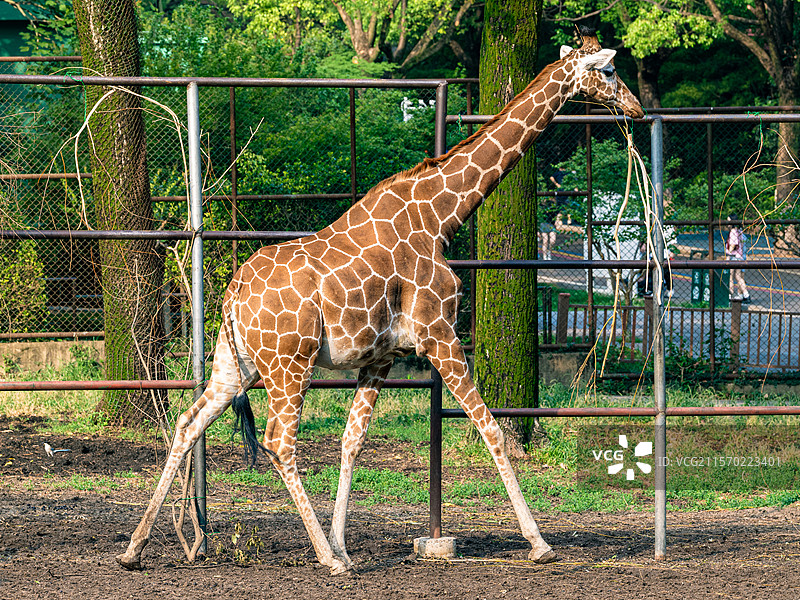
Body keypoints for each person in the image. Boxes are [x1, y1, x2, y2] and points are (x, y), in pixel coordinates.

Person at [726, 214, 750, 303]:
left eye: (729, 221)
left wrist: (728, 254)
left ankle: (729, 295)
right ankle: (746, 294)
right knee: (738, 277)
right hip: (740, 256)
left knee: (730, 276)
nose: (727, 223)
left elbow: (733, 244)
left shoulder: (733, 232)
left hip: (734, 257)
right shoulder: (740, 231)